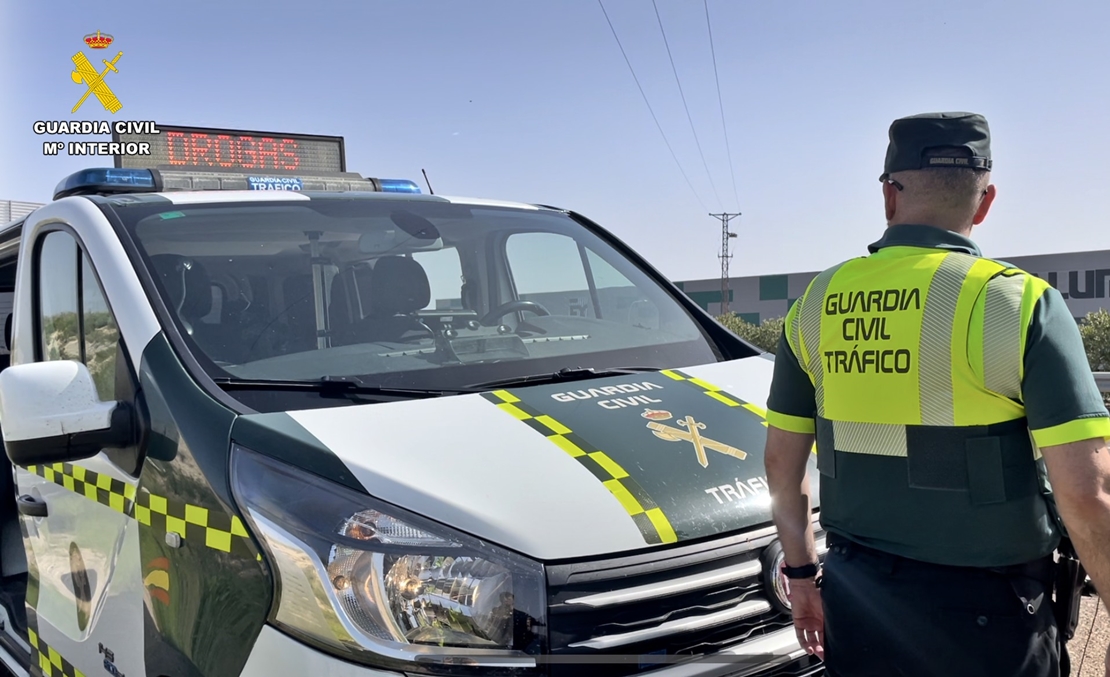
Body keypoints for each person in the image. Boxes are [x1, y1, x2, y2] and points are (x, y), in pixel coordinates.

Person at [763, 111, 1110, 677]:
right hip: (991, 620)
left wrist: (801, 580)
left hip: (860, 602)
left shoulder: (814, 304)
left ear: (887, 197)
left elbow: (782, 466)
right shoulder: (1020, 304)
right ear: (985, 200)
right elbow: (1088, 493)